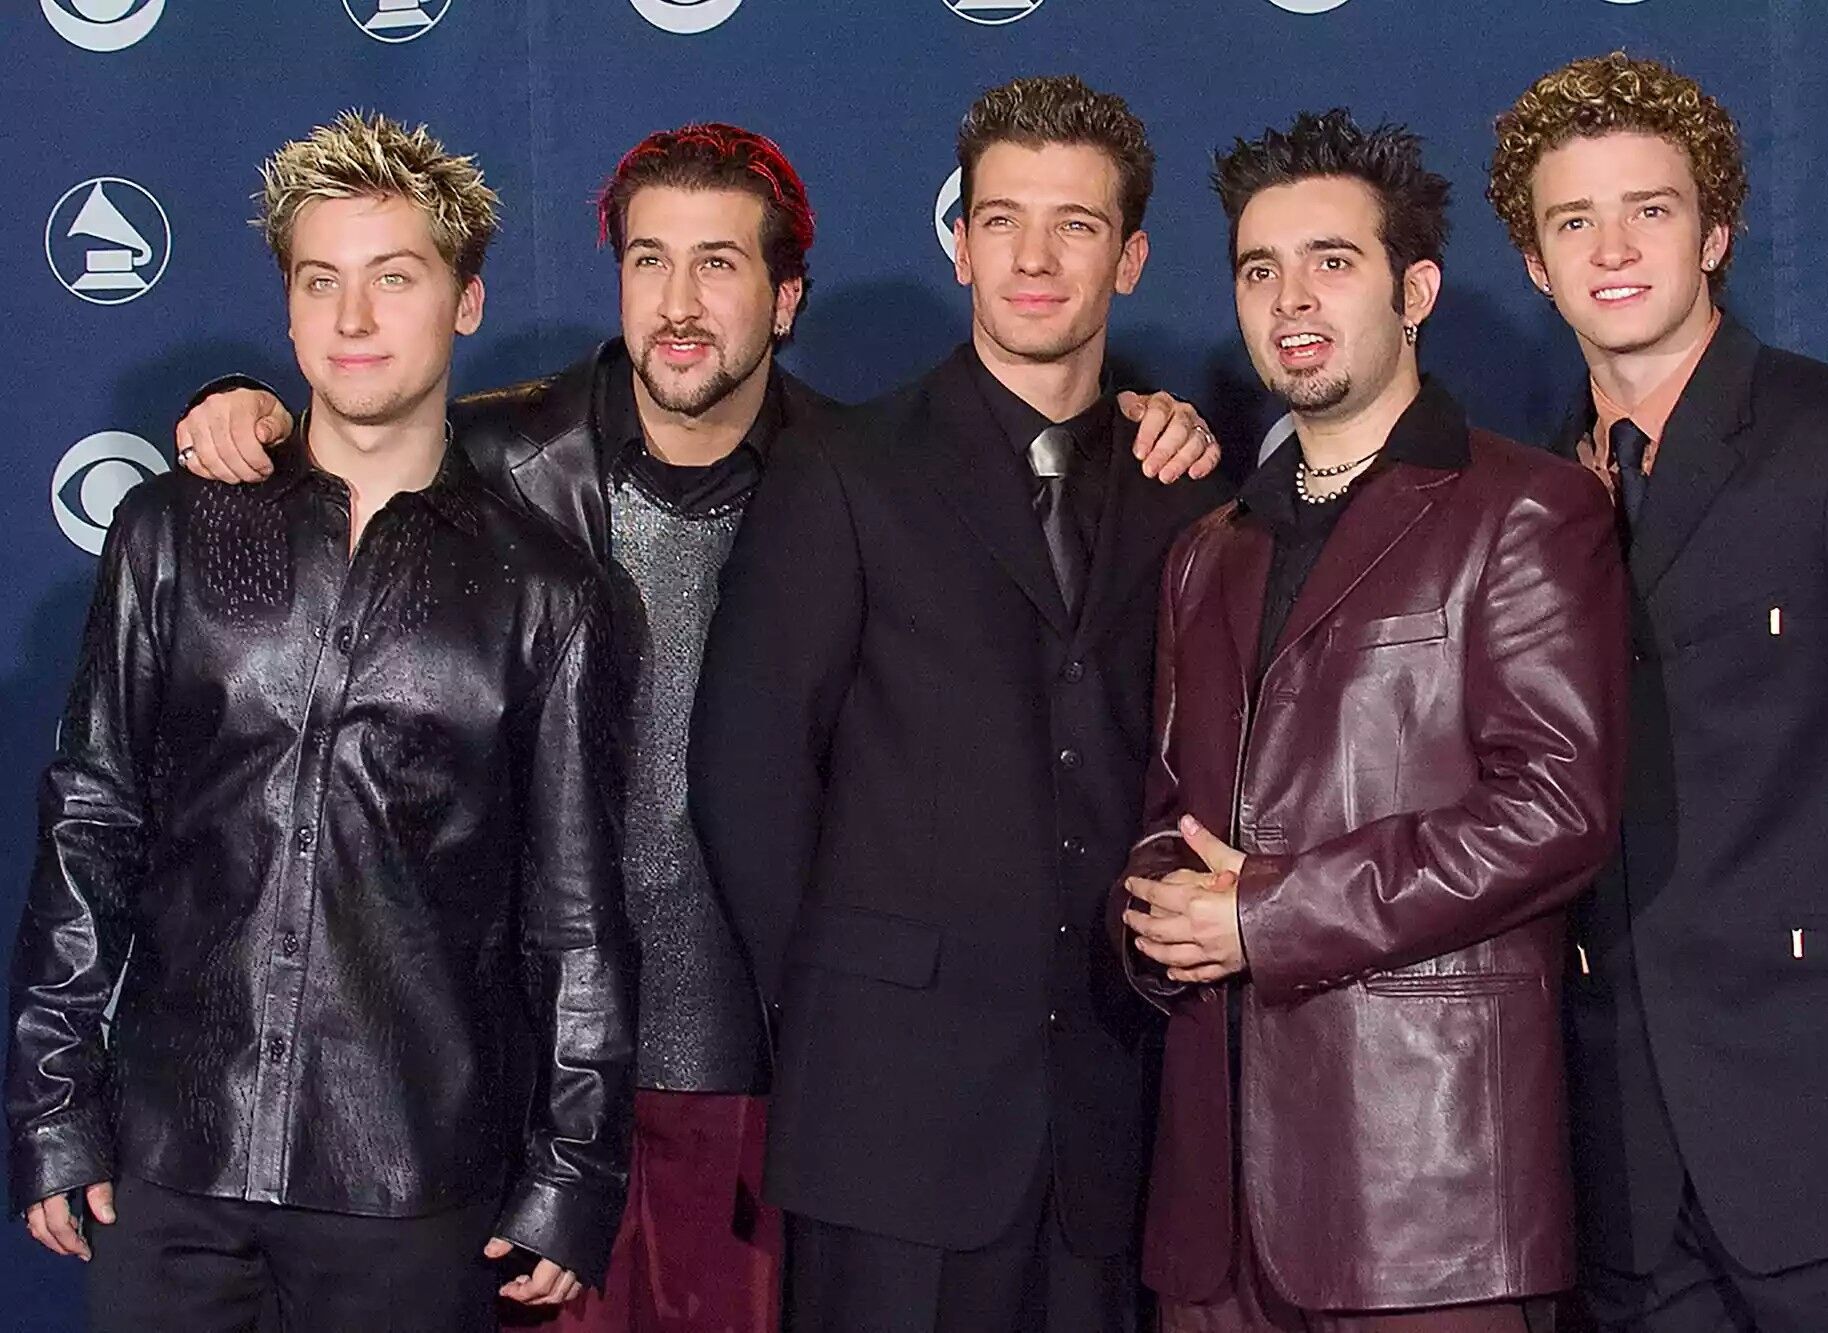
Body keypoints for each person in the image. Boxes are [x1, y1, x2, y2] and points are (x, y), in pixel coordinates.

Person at [171, 121, 1218, 1333]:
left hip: (754, 1078)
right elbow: (352, 439)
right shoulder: (497, 456)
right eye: (648, 260)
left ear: (785, 301)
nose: (677, 302)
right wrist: (236, 405)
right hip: (515, 1077)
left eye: (717, 264)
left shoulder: (862, 474)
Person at [5, 111, 635, 1331]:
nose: (352, 321)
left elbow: (575, 915)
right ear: (288, 308)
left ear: (464, 303)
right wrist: (51, 1096)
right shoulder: (171, 531)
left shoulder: (544, 590)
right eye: (321, 282)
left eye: (393, 279)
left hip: (414, 1178)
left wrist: (573, 1168)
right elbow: (92, 822)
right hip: (169, 1167)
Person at [688, 75, 1231, 1333]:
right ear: (959, 241)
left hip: (1118, 1117)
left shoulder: (1184, 488)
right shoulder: (844, 467)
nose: (1034, 259)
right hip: (888, 1122)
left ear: (1133, 257)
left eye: (1076, 226)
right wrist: (849, 1000)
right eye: (1001, 221)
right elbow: (745, 770)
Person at [1487, 51, 1828, 1331]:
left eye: (1647, 209)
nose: (1611, 247)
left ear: (1713, 232)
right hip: (1610, 1165)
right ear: (1534, 264)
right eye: (1572, 220)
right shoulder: (1524, 498)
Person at [1116, 109, 1624, 1333]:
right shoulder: (1206, 550)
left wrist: (1264, 912)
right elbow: (1169, 813)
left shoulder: (1525, 510)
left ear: (1415, 290)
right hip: (1211, 1221)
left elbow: (1557, 808)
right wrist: (1157, 914)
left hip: (1427, 1201)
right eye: (1257, 268)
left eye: (1329, 261)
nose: (1290, 297)